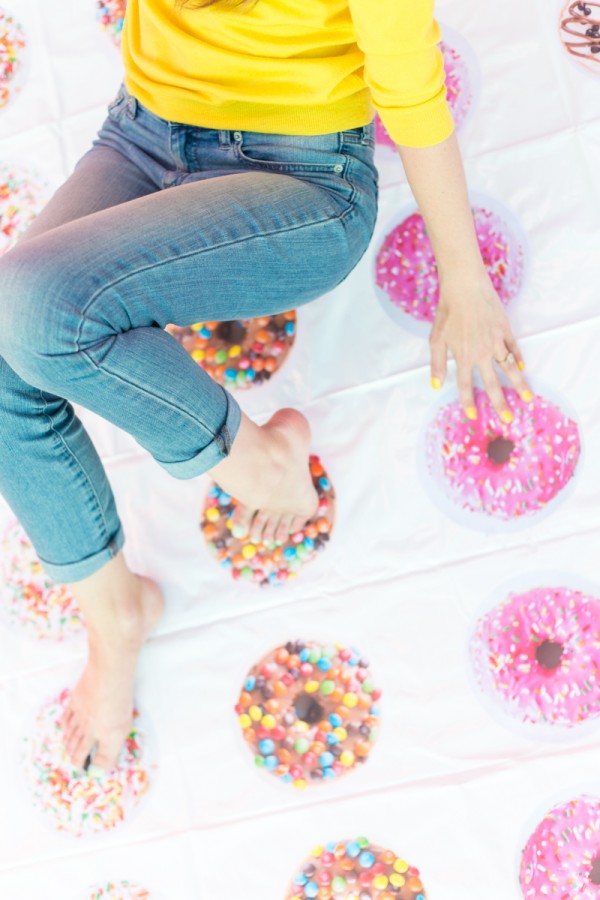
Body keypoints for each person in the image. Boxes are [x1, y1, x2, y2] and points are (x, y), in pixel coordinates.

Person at [0, 0, 531, 774]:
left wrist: (464, 275)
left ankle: (254, 463)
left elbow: (412, 95)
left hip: (303, 180)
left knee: (38, 309)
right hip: (143, 135)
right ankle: (116, 612)